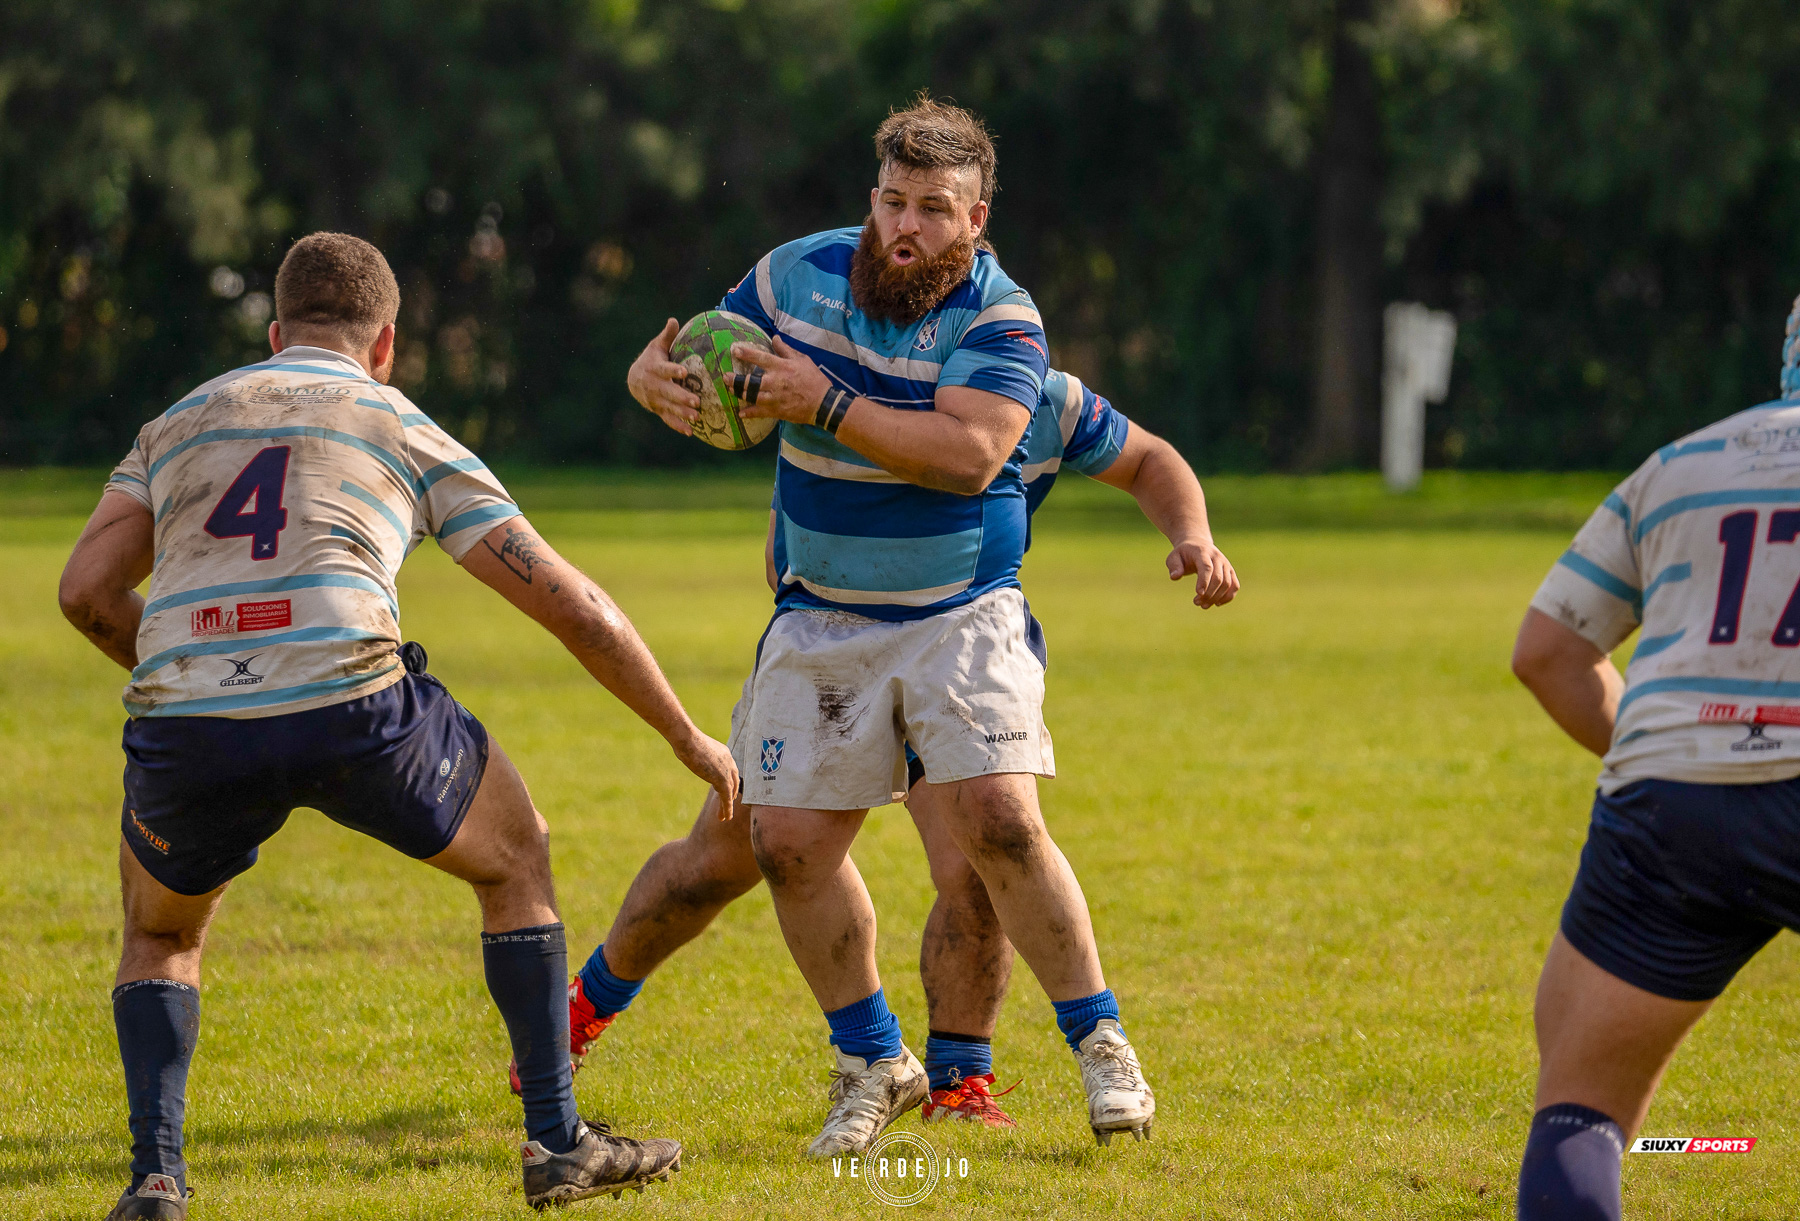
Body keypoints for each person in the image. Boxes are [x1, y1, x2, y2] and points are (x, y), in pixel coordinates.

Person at [58, 232, 737, 1218]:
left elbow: (85, 592)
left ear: (276, 332)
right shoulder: (399, 420)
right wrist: (686, 738)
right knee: (517, 860)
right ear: (385, 346)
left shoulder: (180, 422)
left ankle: (156, 1180)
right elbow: (575, 608)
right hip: (353, 699)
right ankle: (556, 1144)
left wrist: (198, 670)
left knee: (161, 935)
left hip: (186, 717)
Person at [629, 95, 1228, 1156]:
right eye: (893, 202)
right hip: (819, 617)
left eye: (934, 211)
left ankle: (1100, 1046)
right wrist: (653, 379)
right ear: (872, 198)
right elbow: (704, 361)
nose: (906, 227)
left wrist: (820, 404)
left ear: (976, 219)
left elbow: (967, 459)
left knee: (996, 819)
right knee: (789, 847)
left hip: (960, 614)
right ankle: (874, 1064)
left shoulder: (1005, 325)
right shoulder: (792, 277)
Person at [522, 368, 1237, 1134]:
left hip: (957, 647)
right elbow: (772, 536)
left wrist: (1191, 533)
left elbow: (1149, 457)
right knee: (723, 857)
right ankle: (584, 1010)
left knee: (981, 852)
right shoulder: (836, 372)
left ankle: (959, 1078)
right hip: (831, 650)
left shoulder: (1030, 389)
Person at [1509, 296, 1800, 1219]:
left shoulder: (1681, 464)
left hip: (1673, 800)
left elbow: (1546, 653)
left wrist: (1675, 750)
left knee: (1578, 1112)